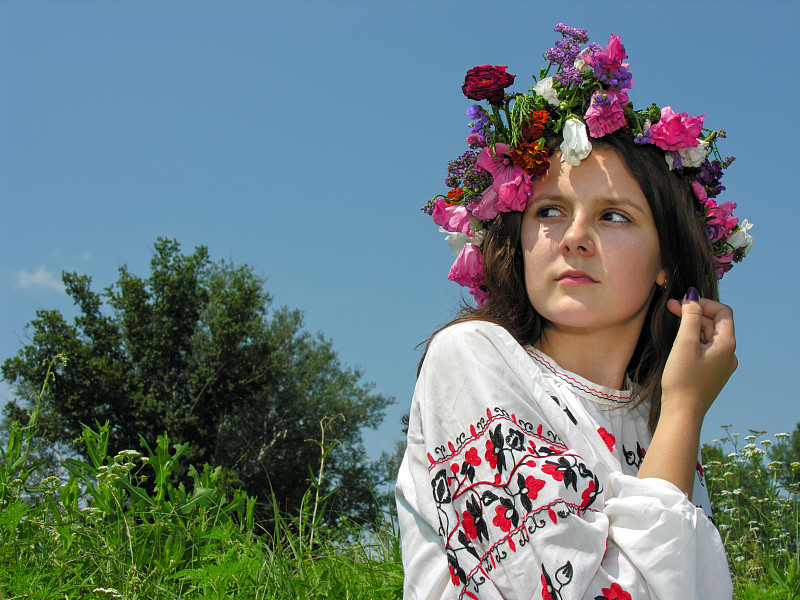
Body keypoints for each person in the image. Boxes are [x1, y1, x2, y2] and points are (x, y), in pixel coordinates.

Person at [395, 23, 753, 600]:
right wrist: (686, 410)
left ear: (668, 261)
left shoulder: (654, 425)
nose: (575, 238)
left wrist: (676, 412)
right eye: (550, 210)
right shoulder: (473, 360)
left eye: (614, 216)